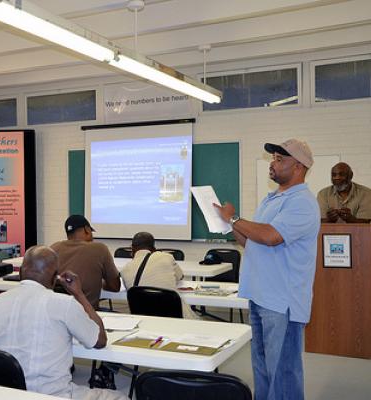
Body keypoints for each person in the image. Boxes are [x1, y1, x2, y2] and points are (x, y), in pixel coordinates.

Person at [215, 138, 320, 400]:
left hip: (282, 302)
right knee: (263, 371)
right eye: (273, 158)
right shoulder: (271, 199)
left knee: (282, 374)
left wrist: (234, 218)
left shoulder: (303, 202)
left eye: (279, 159)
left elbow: (272, 236)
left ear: (298, 167)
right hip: (261, 297)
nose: (272, 164)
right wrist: (229, 225)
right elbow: (251, 241)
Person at [0, 246, 126, 400]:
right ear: (55, 278)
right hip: (51, 396)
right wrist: (78, 293)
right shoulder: (64, 304)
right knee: (121, 397)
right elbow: (100, 340)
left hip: (0, 395)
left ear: (20, 273)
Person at [120, 232, 197, 319]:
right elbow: (180, 277)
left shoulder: (125, 270)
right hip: (176, 318)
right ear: (154, 249)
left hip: (144, 320)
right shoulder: (166, 257)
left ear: (132, 249)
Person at [51, 215, 120, 309]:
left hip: (57, 312)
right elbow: (115, 286)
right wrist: (102, 283)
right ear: (87, 229)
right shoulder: (99, 249)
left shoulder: (53, 248)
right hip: (87, 314)